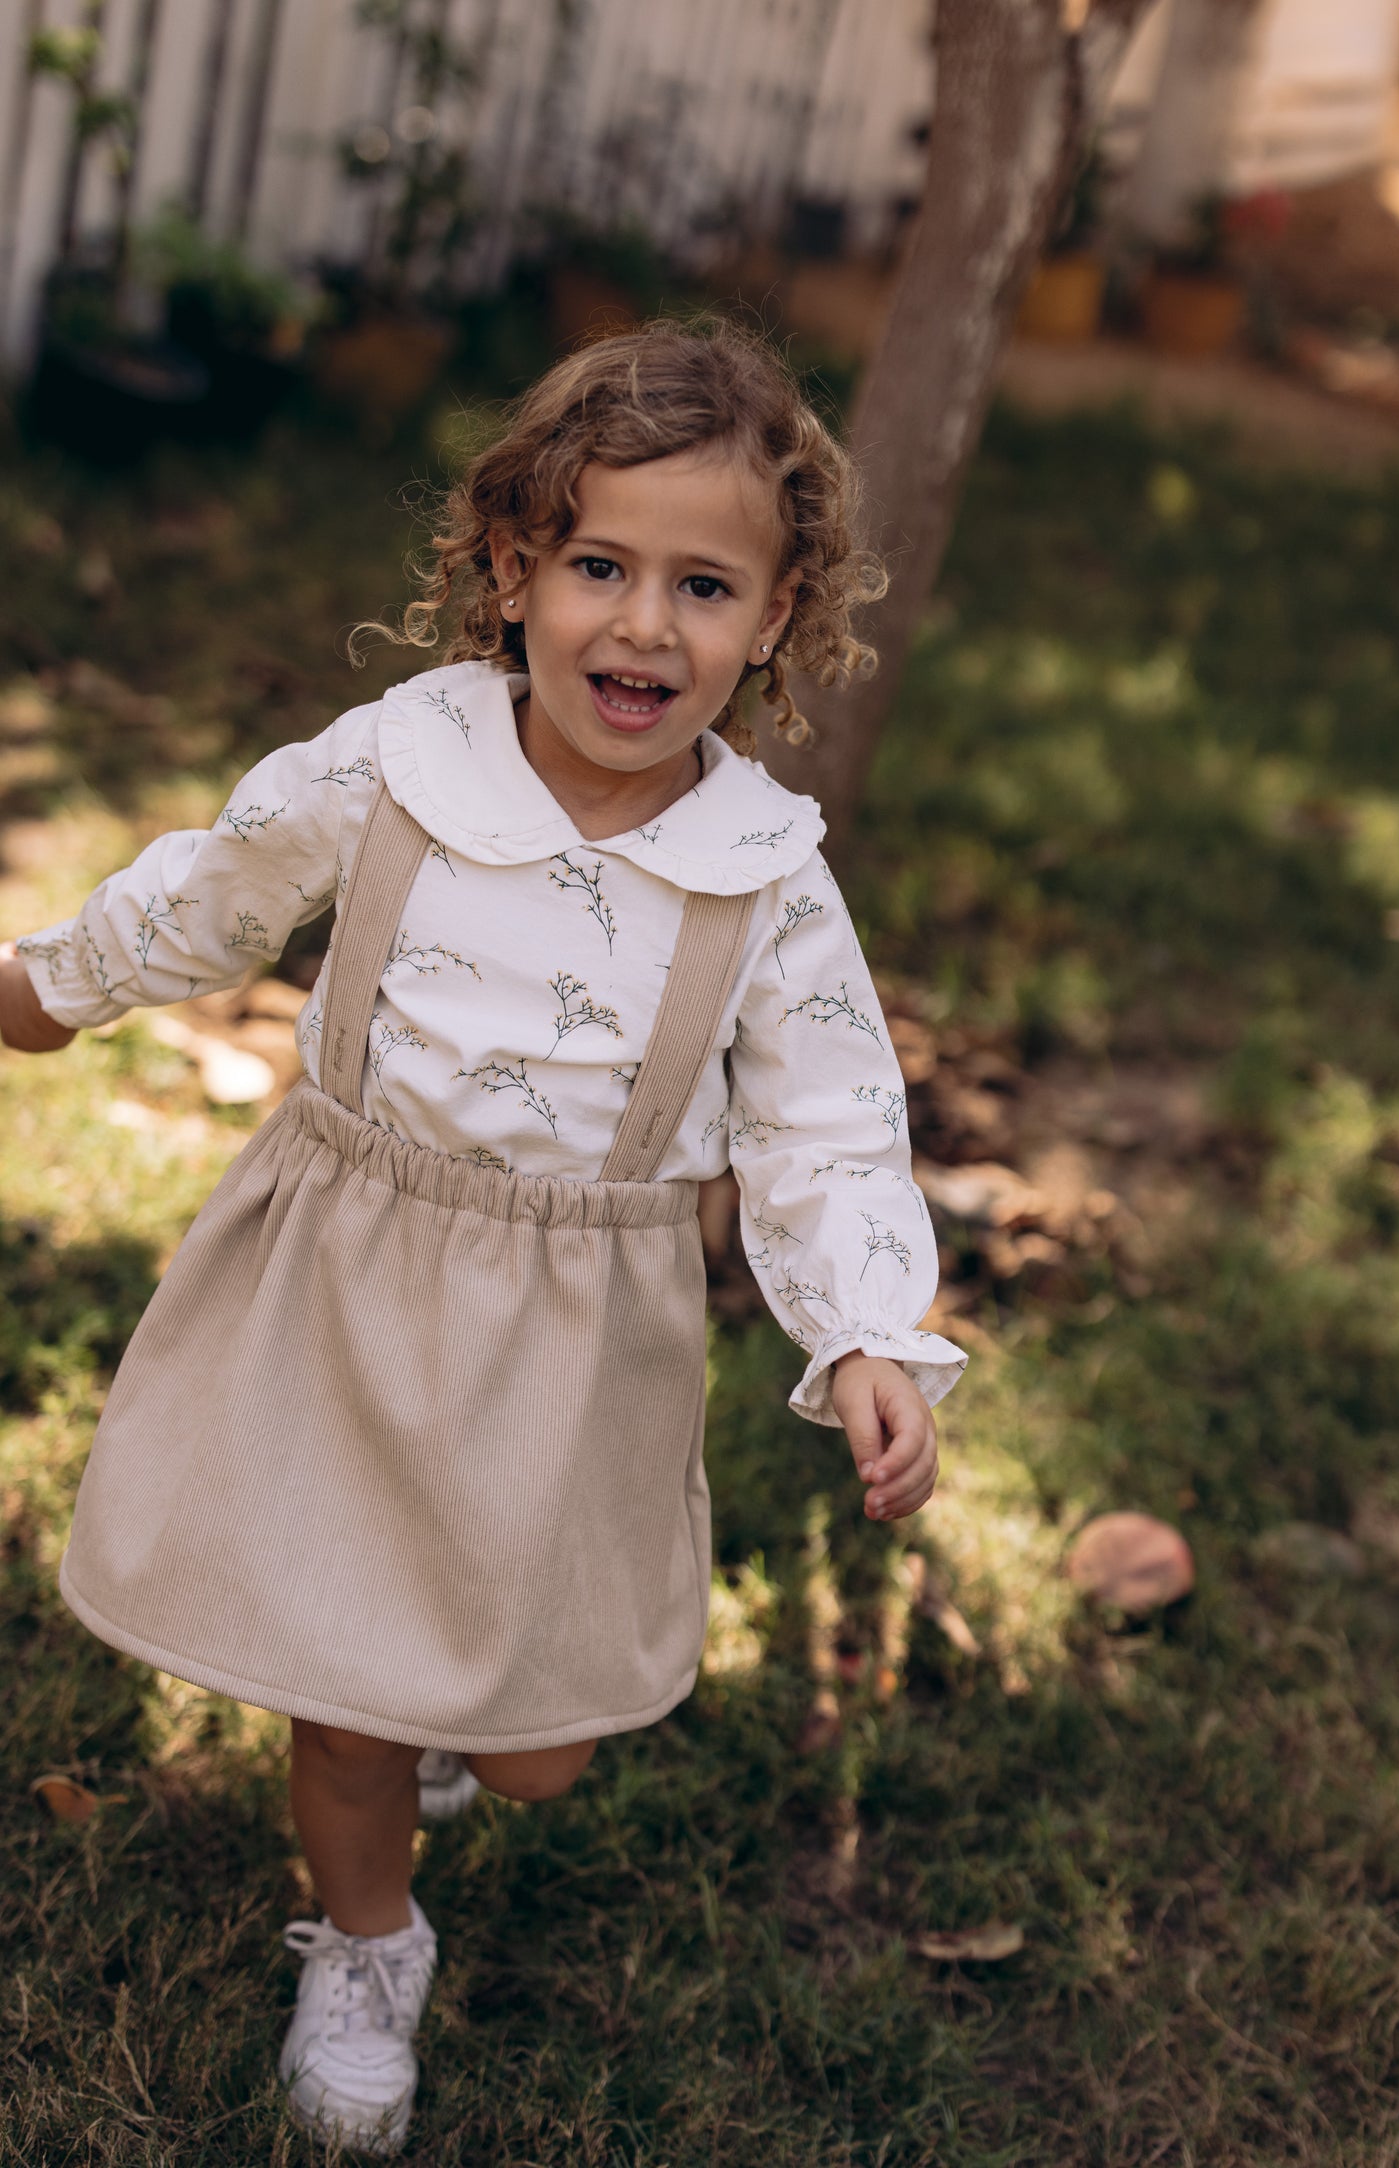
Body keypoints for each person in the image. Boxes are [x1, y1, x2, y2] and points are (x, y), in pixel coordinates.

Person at [0, 318, 965, 2154]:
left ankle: (461, 1726)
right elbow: (214, 896)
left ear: (773, 620)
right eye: (598, 565)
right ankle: (366, 1935)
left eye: (702, 585)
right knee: (352, 1690)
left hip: (579, 1333)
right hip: (354, 1273)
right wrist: (44, 989)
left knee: (539, 1753)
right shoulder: (396, 769)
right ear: (513, 566)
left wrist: (864, 1334)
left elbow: (829, 1126)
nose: (641, 626)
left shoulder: (763, 873)